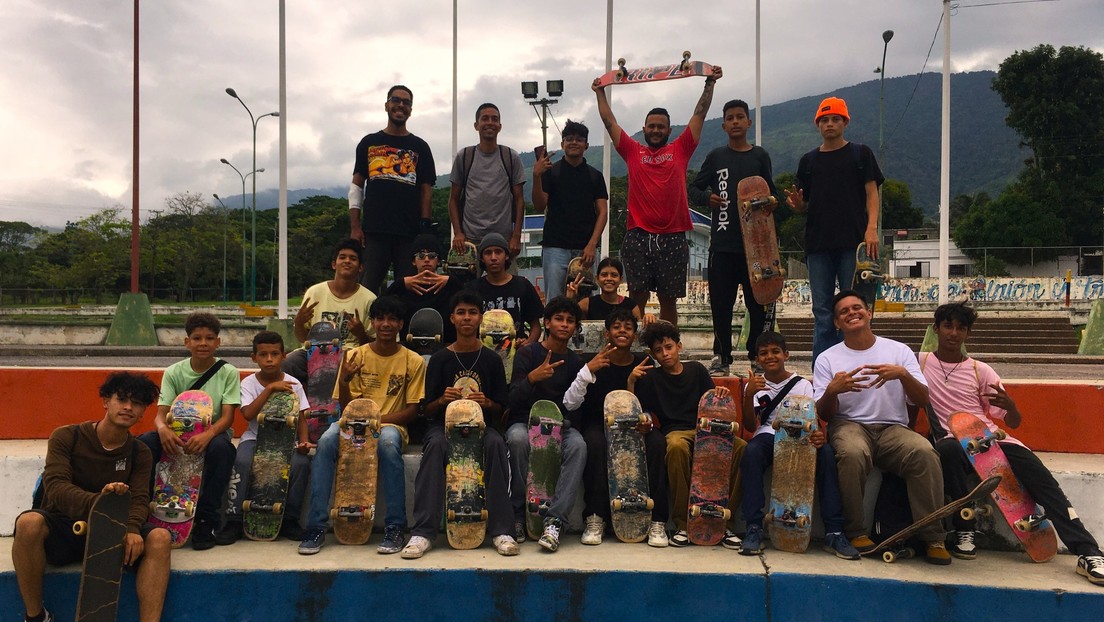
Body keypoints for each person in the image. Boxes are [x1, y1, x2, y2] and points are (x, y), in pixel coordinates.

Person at [922, 302, 1104, 584]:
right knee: (945, 449)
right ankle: (963, 528)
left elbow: (1014, 422)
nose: (953, 333)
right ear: (936, 328)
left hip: (991, 440)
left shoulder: (980, 371)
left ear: (967, 334)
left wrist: (1011, 405)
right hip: (952, 443)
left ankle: (1088, 551)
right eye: (948, 326)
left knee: (1041, 479)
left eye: (961, 328)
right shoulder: (920, 363)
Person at [13, 372, 170, 622]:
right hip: (65, 526)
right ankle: (36, 616)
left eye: (137, 403)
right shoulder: (67, 436)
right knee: (28, 523)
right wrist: (101, 502)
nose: (129, 407)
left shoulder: (140, 452)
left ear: (143, 413)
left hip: (112, 533)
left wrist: (131, 528)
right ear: (106, 401)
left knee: (160, 538)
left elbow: (140, 498)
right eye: (122, 399)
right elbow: (56, 486)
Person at [812, 290, 949, 564]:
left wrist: (902, 375)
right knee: (851, 453)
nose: (852, 313)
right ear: (837, 323)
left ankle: (933, 536)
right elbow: (825, 414)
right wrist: (832, 391)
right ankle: (855, 532)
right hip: (849, 425)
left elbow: (923, 399)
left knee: (924, 452)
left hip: (892, 429)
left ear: (869, 313)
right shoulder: (827, 358)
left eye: (857, 307)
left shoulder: (898, 351)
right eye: (844, 312)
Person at [592, 64, 722, 325]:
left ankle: (668, 346)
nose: (655, 130)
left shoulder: (681, 149)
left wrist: (710, 84)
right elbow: (610, 122)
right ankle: (636, 346)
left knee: (668, 299)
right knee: (637, 297)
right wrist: (599, 93)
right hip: (638, 235)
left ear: (669, 130)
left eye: (661, 127)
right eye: (651, 126)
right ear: (644, 128)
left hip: (673, 235)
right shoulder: (632, 151)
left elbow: (699, 114)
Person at [298, 296, 426, 556]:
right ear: (373, 323)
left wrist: (374, 421)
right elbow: (343, 407)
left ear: (401, 324)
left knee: (389, 446)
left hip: (390, 424)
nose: (386, 324)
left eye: (392, 319)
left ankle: (395, 526)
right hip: (349, 422)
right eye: (380, 319)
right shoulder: (355, 356)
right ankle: (316, 526)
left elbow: (411, 411)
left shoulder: (413, 360)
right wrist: (344, 381)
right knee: (325, 442)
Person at [400, 291, 519, 558]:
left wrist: (487, 403)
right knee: (433, 448)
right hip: (443, 428)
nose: (467, 318)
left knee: (496, 444)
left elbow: (502, 408)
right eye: (461, 313)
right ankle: (423, 532)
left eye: (472, 313)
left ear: (480, 319)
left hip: (482, 428)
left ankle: (502, 530)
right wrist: (443, 399)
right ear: (452, 318)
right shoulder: (441, 358)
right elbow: (426, 409)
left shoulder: (491, 359)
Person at [738, 331, 860, 560]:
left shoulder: (801, 384)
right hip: (768, 434)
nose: (769, 357)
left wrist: (818, 436)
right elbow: (748, 424)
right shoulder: (754, 385)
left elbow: (812, 421)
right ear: (757, 358)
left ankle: (834, 530)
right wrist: (749, 395)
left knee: (825, 453)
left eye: (775, 351)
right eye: (763, 353)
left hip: (799, 437)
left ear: (786, 354)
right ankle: (754, 526)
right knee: (751, 452)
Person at [784, 97, 884, 363]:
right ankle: (825, 369)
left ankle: (859, 363)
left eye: (835, 119)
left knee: (855, 308)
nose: (829, 124)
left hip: (854, 243)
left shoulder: (860, 154)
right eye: (824, 120)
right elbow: (804, 204)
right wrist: (796, 204)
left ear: (845, 122)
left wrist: (871, 228)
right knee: (823, 311)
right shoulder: (808, 161)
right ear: (818, 125)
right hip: (818, 245)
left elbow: (872, 193)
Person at [562, 308, 669, 547]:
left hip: (634, 428)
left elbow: (651, 407)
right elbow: (571, 403)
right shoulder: (594, 362)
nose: (622, 331)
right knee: (595, 444)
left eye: (628, 328)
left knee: (657, 442)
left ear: (635, 335)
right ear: (606, 333)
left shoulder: (644, 363)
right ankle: (595, 517)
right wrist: (589, 370)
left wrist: (647, 420)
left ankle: (657, 521)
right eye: (617, 327)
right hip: (598, 425)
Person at [632, 320, 743, 548]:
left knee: (741, 447)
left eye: (669, 347)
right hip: (676, 432)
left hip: (705, 429)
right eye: (658, 351)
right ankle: (684, 523)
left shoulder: (697, 370)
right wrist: (631, 381)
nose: (664, 354)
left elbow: (711, 402)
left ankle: (723, 522)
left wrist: (719, 392)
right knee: (675, 447)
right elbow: (637, 409)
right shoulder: (652, 378)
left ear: (679, 346)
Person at [689, 98, 778, 377]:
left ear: (748, 122)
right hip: (723, 245)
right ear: (724, 124)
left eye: (741, 116)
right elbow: (692, 188)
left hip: (757, 248)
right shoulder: (716, 157)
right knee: (721, 305)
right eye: (731, 117)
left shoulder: (760, 156)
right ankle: (721, 355)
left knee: (758, 306)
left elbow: (770, 193)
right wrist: (707, 198)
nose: (736, 121)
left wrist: (772, 202)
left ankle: (757, 355)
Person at [138, 312, 240, 551]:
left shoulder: (228, 372)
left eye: (209, 338)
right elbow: (160, 414)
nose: (203, 343)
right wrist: (162, 429)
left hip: (212, 433)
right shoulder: (174, 372)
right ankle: (141, 510)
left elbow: (227, 417)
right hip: (176, 434)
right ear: (187, 342)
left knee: (222, 450)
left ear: (218, 342)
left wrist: (208, 434)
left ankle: (206, 519)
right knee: (144, 443)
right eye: (196, 338)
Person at [506, 296, 588, 551]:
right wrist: (532, 378)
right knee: (518, 440)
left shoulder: (575, 362)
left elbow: (574, 408)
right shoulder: (527, 353)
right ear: (547, 323)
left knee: (578, 446)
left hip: (560, 426)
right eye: (559, 319)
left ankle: (555, 521)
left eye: (570, 321)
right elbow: (513, 398)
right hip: (523, 421)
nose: (564, 325)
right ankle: (518, 515)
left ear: (575, 328)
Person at [216, 331, 310, 544]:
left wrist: (303, 442)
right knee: (241, 461)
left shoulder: (293, 383)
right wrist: (269, 389)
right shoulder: (249, 383)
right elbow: (248, 415)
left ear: (284, 356)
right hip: (254, 439)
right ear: (254, 357)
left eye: (275, 354)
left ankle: (289, 519)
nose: (269, 359)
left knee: (302, 464)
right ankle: (234, 519)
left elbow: (302, 417)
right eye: (263, 354)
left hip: (286, 442)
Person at [349, 84, 437, 294]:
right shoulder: (368, 143)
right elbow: (356, 186)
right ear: (386, 105)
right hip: (374, 231)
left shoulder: (420, 146)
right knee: (367, 290)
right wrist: (355, 226)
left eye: (406, 102)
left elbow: (426, 189)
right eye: (396, 100)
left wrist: (424, 226)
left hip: (409, 233)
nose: (400, 105)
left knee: (409, 290)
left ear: (411, 110)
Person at [531, 120, 609, 299]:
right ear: (562, 143)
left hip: (585, 249)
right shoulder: (551, 172)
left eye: (579, 139)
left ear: (586, 145)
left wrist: (592, 244)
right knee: (555, 300)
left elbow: (603, 212)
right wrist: (537, 176)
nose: (574, 142)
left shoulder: (594, 176)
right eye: (569, 139)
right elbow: (539, 205)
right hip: (555, 247)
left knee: (585, 300)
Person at [284, 239, 377, 386]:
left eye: (353, 258)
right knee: (289, 363)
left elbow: (375, 346)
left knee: (342, 364)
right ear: (334, 264)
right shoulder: (314, 292)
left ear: (360, 267)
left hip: (350, 354)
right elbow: (303, 338)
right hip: (313, 351)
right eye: (342, 257)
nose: (347, 261)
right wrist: (299, 323)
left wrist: (361, 334)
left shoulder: (369, 299)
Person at [448, 103, 525, 269]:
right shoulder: (465, 156)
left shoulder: (510, 157)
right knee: (467, 292)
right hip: (470, 241)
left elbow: (519, 200)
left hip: (503, 241)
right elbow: (453, 199)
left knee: (507, 289)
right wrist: (458, 233)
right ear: (476, 125)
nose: (490, 122)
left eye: (494, 119)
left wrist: (516, 235)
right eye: (485, 118)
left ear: (500, 126)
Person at [384, 232, 466, 345]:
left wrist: (451, 282)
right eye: (421, 256)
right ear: (413, 261)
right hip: (409, 347)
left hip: (445, 346)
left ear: (438, 261)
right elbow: (380, 306)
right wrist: (401, 284)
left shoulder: (448, 286)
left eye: (432, 256)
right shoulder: (404, 287)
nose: (427, 260)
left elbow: (469, 301)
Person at [467, 233, 544, 346]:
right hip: (482, 353)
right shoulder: (472, 288)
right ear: (482, 259)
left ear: (506, 256)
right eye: (488, 253)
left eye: (498, 252)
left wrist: (528, 344)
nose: (493, 257)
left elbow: (536, 325)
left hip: (517, 352)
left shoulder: (523, 285)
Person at [566, 257, 652, 325]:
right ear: (597, 279)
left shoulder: (631, 306)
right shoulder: (587, 304)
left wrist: (648, 318)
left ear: (621, 280)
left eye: (614, 275)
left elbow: (639, 331)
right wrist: (570, 299)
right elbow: (568, 320)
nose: (609, 279)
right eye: (604, 275)